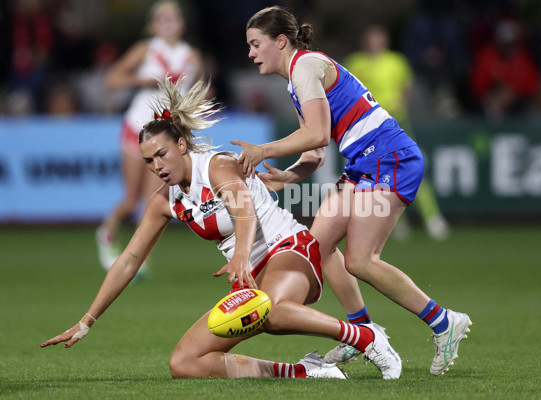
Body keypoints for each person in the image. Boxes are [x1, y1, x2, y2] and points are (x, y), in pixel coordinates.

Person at [40, 77, 403, 380]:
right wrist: (87, 319)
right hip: (249, 277)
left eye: (162, 155)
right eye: (149, 160)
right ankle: (305, 372)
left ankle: (365, 336)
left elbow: (243, 212)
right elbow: (129, 260)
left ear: (181, 144)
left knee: (269, 310)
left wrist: (241, 256)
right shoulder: (165, 201)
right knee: (184, 363)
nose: (156, 166)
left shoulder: (217, 165)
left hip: (289, 248)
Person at [233, 6, 472, 375]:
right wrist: (289, 177)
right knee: (317, 246)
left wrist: (262, 150)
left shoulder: (305, 67)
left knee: (361, 260)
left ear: (280, 41)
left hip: (389, 156)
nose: (250, 53)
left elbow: (313, 134)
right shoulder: (297, 79)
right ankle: (362, 330)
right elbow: (314, 151)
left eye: (255, 44)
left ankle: (443, 322)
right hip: (366, 162)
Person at [96, 0, 203, 277]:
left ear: (182, 24)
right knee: (131, 201)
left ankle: (140, 260)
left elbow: (199, 91)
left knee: (154, 200)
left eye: (173, 18)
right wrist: (143, 82)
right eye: (162, 18)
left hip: (164, 137)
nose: (168, 23)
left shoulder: (191, 56)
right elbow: (111, 80)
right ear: (154, 24)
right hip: (136, 129)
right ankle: (107, 232)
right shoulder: (146, 49)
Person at [345, 24, 449, 241]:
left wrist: (393, 110)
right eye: (372, 38)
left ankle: (432, 218)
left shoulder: (396, 61)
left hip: (394, 123)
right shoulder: (356, 63)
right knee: (379, 176)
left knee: (412, 168)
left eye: (379, 38)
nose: (376, 43)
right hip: (367, 129)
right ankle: (396, 224)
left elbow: (405, 89)